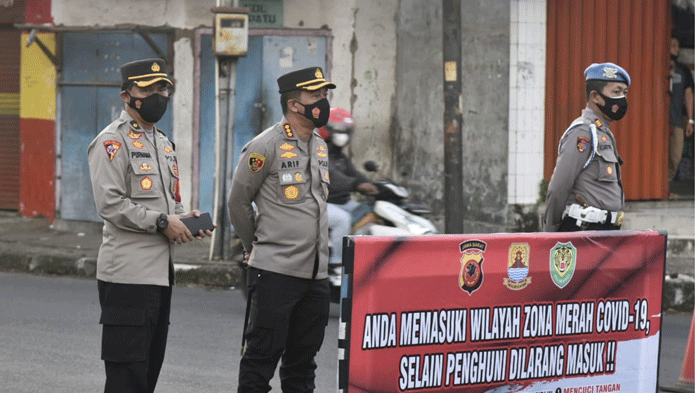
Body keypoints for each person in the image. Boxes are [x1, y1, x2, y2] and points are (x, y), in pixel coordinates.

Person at [87, 58, 214, 393]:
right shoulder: (112, 142)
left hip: (159, 276)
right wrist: (161, 222)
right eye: (147, 88)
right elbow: (110, 204)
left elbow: (168, 205)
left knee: (146, 376)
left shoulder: (161, 142)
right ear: (126, 95)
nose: (158, 95)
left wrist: (184, 220)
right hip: (127, 275)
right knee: (126, 377)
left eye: (162, 88)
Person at [227, 66, 335, 392]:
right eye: (315, 95)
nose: (323, 101)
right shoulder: (265, 146)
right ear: (293, 104)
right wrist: (252, 248)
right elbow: (238, 203)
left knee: (302, 365)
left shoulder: (319, 145)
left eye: (324, 94)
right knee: (261, 360)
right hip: (275, 273)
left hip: (315, 277)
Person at [544, 62, 630, 232]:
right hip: (584, 230)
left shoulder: (602, 132)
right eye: (616, 92)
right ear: (595, 96)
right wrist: (550, 235)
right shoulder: (583, 132)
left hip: (604, 231)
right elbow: (558, 188)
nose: (622, 99)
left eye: (624, 93)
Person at [318, 107, 378, 265]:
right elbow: (334, 177)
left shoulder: (339, 156)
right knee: (342, 220)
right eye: (339, 131)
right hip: (320, 203)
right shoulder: (318, 152)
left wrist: (374, 185)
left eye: (345, 131)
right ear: (325, 129)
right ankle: (338, 264)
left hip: (340, 202)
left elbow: (354, 174)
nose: (342, 136)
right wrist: (358, 185)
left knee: (369, 213)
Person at [668, 36, 695, 183]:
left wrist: (691, 120)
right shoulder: (658, 65)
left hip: (677, 120)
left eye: (677, 46)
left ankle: (667, 183)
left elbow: (689, 95)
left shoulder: (683, 70)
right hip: (657, 122)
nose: (676, 49)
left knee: (676, 155)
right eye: (673, 45)